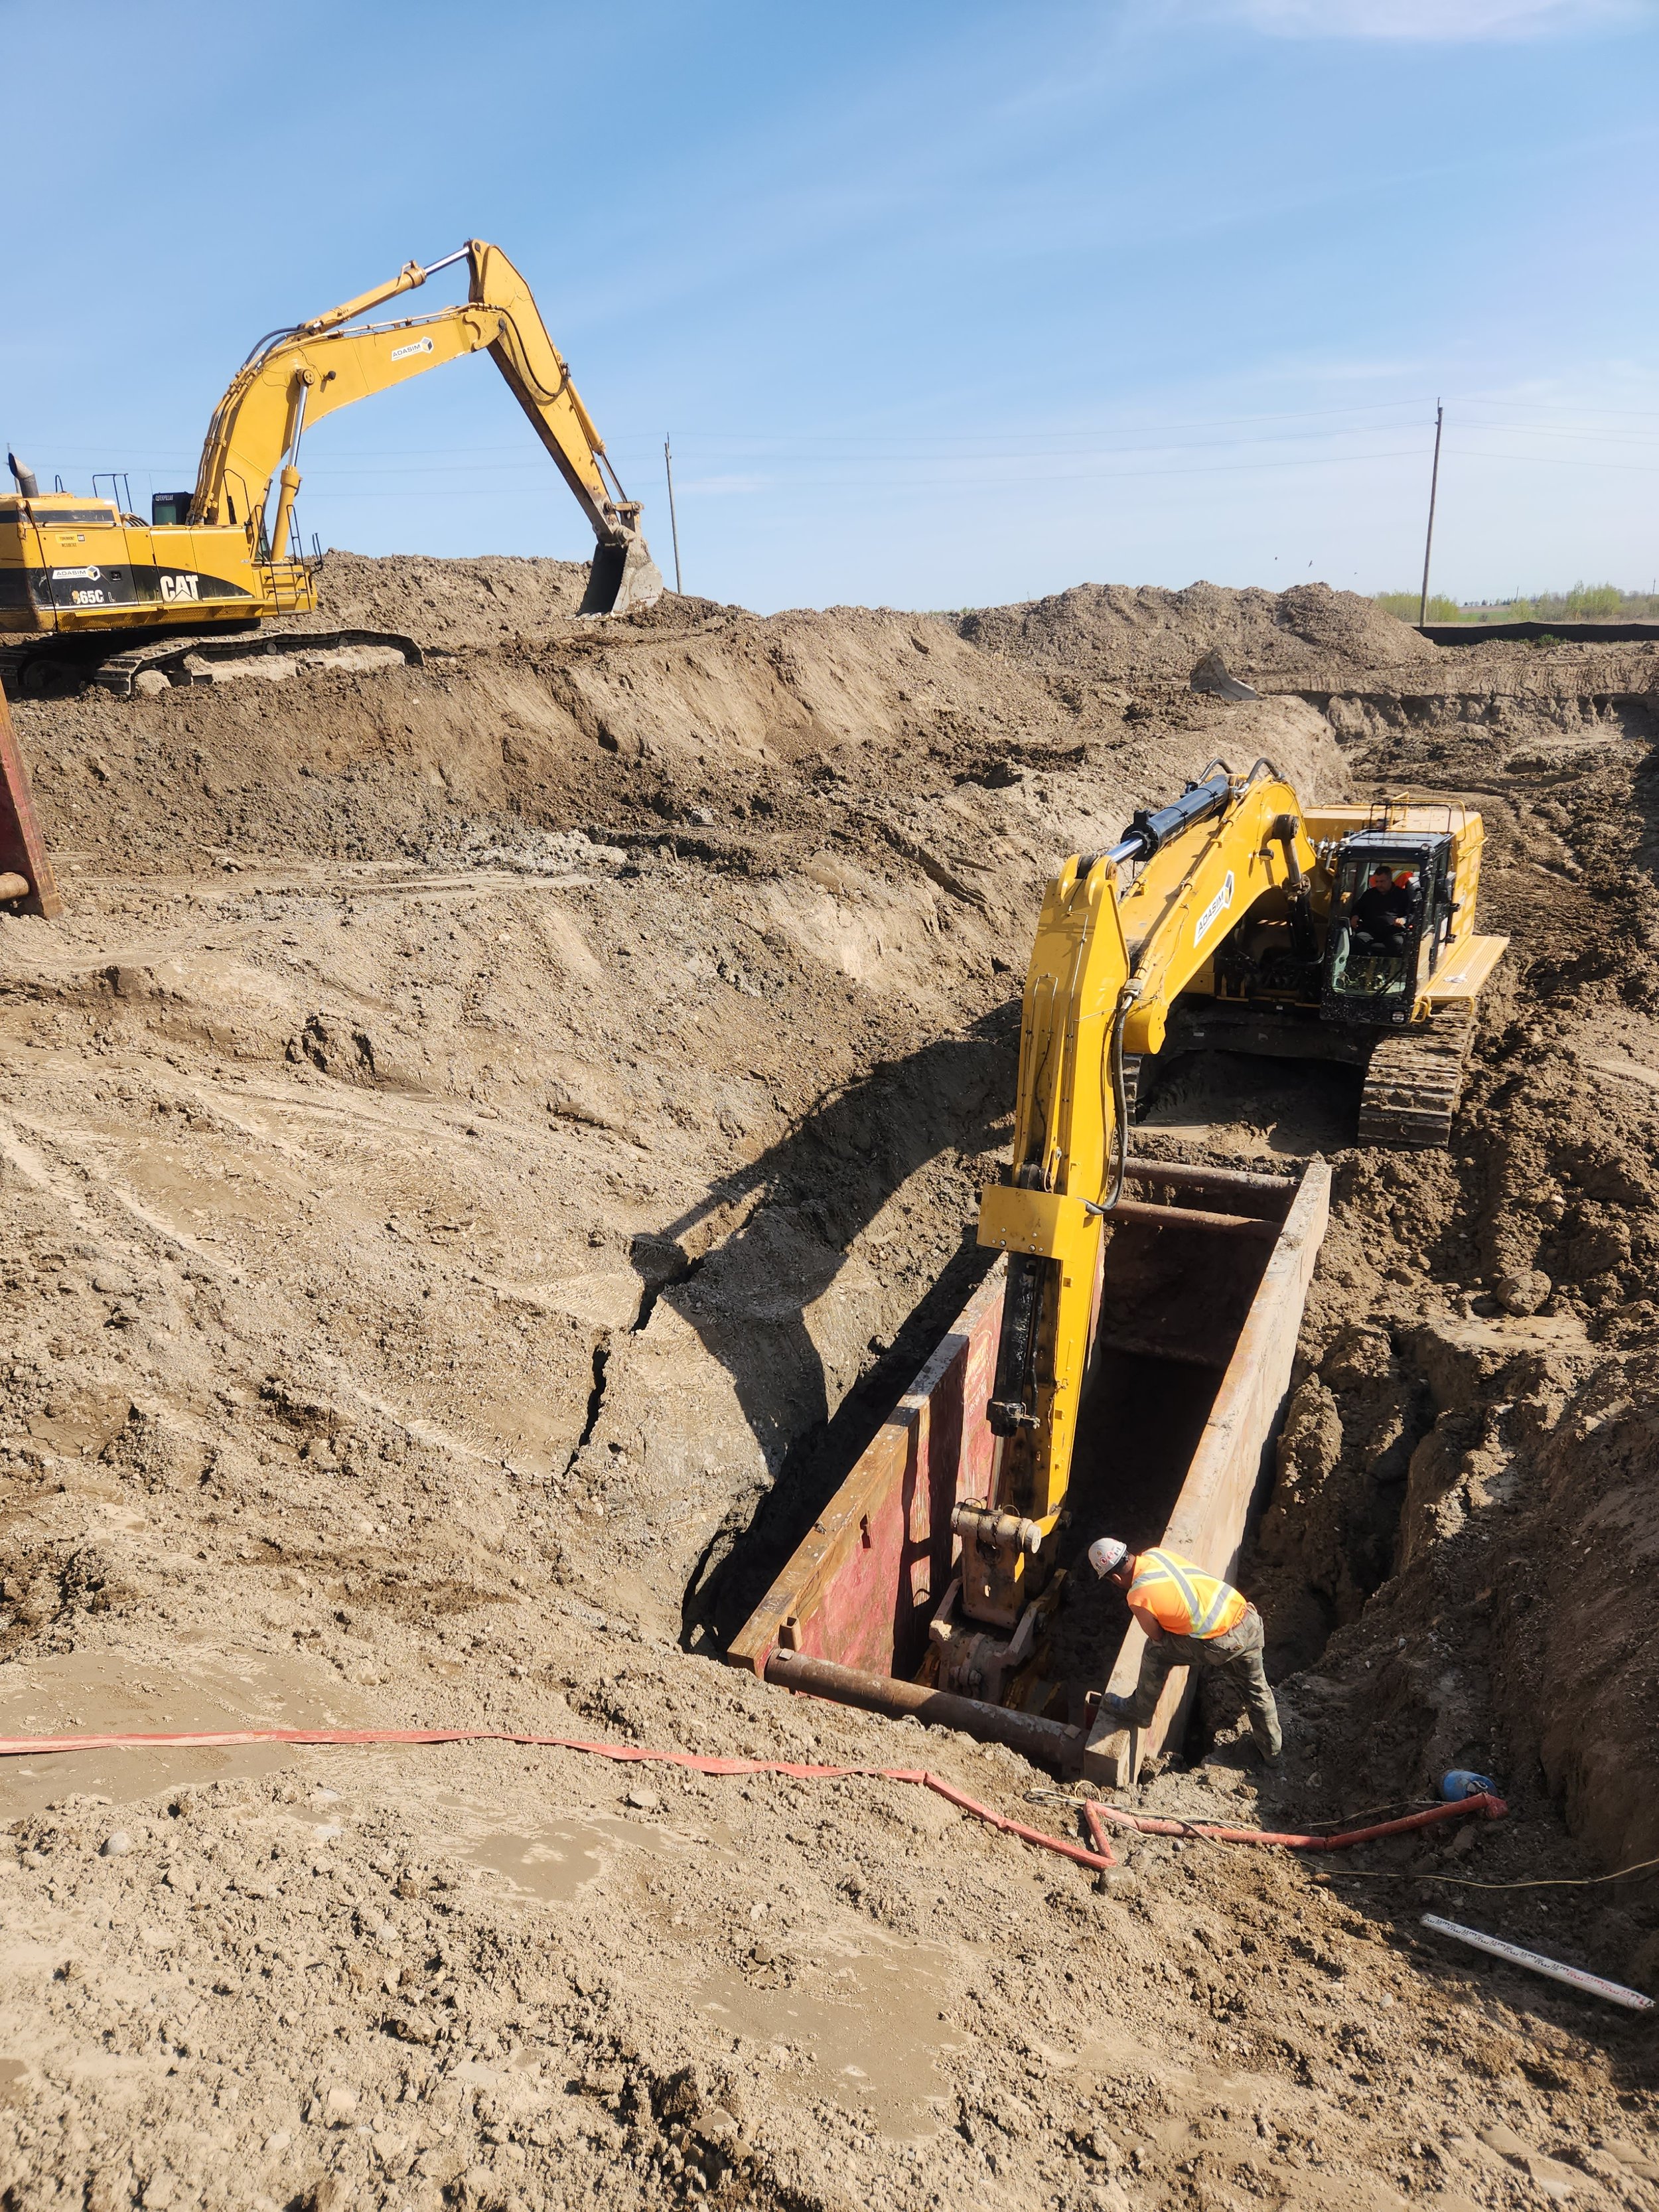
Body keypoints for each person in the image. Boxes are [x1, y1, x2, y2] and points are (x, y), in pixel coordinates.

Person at [1088, 1538, 1281, 1760]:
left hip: (1223, 1642)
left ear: (1115, 1578)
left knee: (1155, 1651)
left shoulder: (1138, 1596)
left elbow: (1157, 1636)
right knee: (1256, 1690)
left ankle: (1140, 1710)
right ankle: (1272, 1753)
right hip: (1248, 1619)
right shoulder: (1155, 1554)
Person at [1351, 863, 1413, 950]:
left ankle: (1389, 964)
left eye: (1382, 882)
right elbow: (1358, 908)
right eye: (1377, 882)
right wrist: (1355, 916)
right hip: (1370, 931)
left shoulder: (1402, 895)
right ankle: (1360, 963)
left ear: (1390, 880)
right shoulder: (1369, 894)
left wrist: (1404, 920)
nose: (1379, 885)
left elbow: (1412, 913)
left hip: (1393, 931)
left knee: (1398, 943)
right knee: (1358, 939)